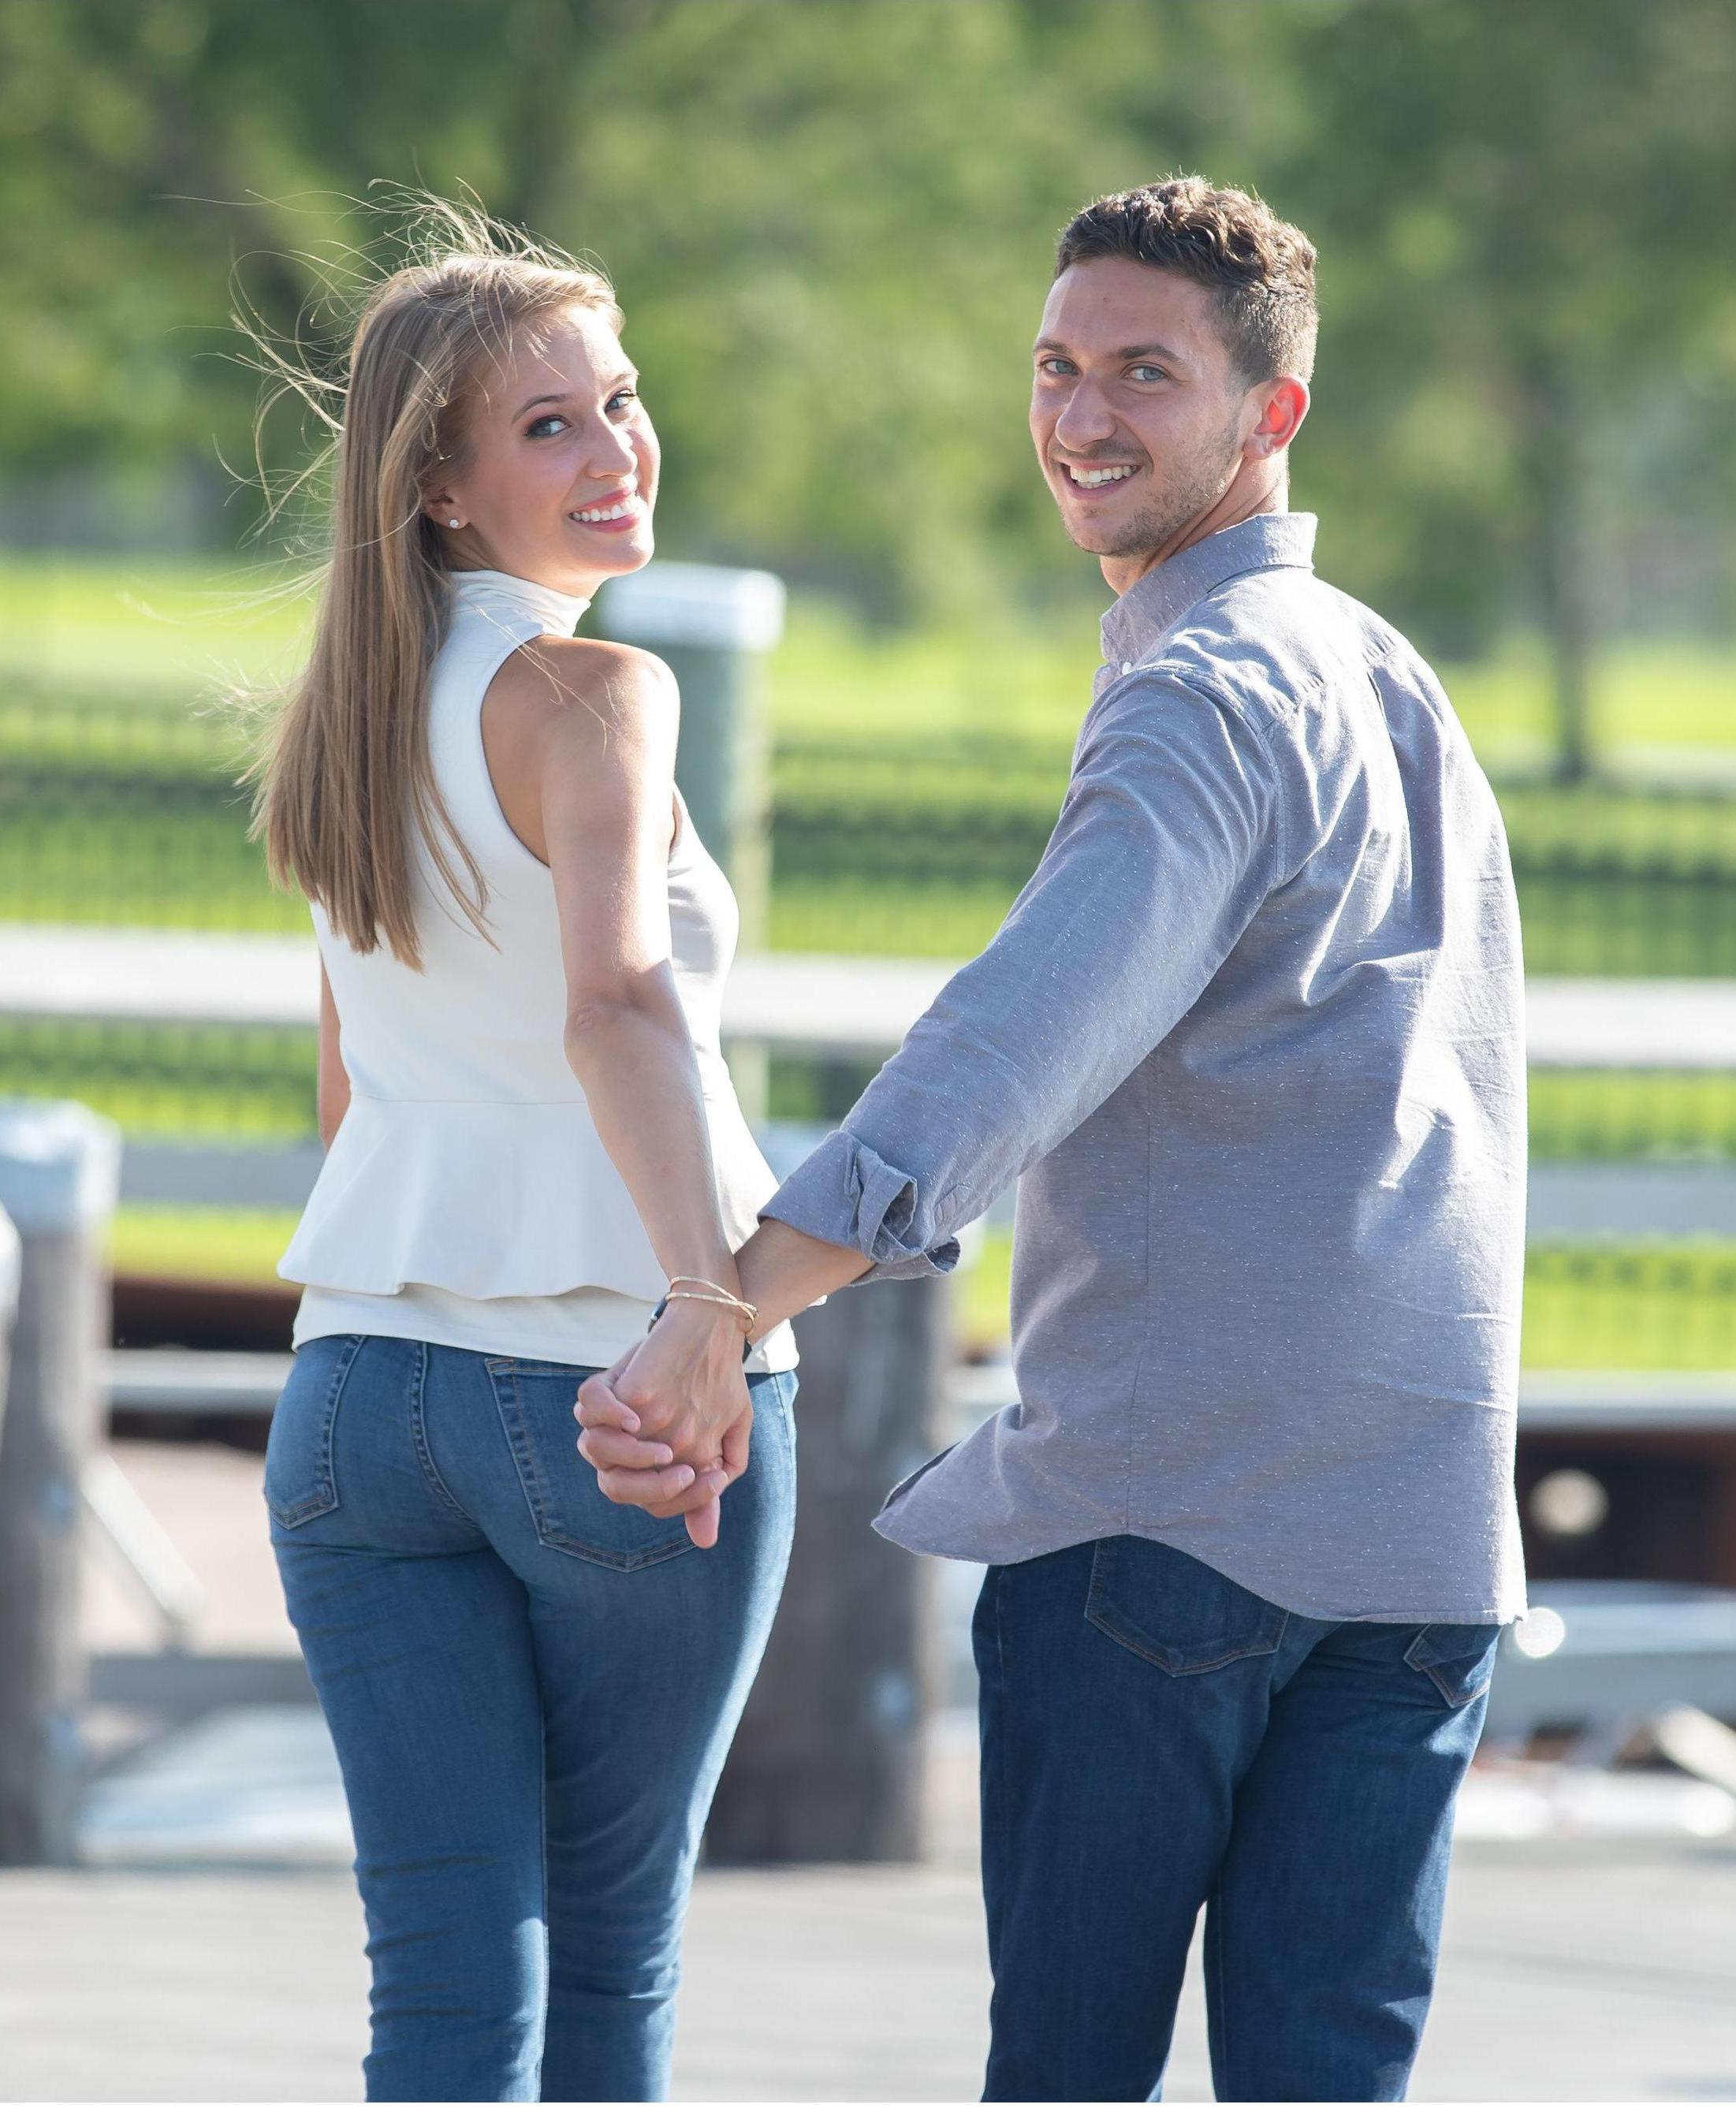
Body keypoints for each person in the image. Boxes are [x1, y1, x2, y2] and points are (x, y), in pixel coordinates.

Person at [579, 177, 1526, 2103]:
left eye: (1143, 376)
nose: (1080, 416)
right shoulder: (1384, 672)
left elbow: (1010, 1043)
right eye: (1055, 365)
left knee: (1068, 2078)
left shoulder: (1203, 694)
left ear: (1269, 414)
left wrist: (724, 1297)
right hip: (1420, 1520)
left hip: (1176, 1515)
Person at [251, 212, 798, 2104]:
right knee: (605, 1965)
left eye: (621, 400)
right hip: (604, 1396)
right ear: (444, 487)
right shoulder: (596, 697)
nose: (619, 447)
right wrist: (707, 1309)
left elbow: (353, 1093)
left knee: (441, 1990)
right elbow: (617, 1006)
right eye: (553, 423)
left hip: (351, 1413)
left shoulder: (338, 725)